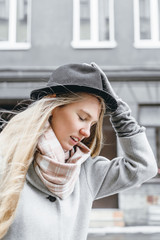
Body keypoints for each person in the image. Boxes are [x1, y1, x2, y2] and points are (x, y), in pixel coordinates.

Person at [0, 63, 158, 240]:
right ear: (53, 105)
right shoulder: (7, 160)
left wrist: (119, 112)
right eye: (82, 118)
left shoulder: (86, 173)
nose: (87, 132)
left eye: (92, 124)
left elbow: (144, 167)